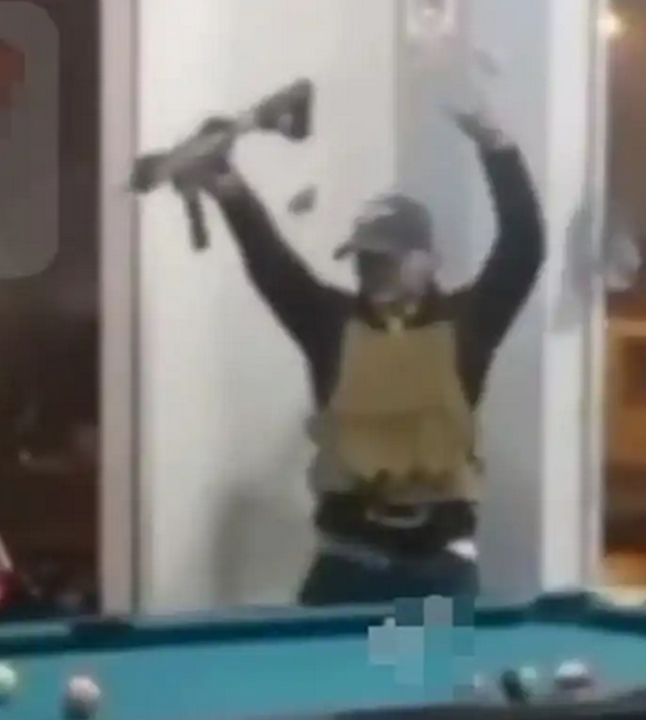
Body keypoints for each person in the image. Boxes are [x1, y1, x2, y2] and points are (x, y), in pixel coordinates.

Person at [183, 106, 544, 606]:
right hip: (346, 566)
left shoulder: (469, 323)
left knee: (419, 661)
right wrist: (228, 186)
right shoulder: (328, 323)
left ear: (429, 260)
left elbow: (523, 248)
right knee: (324, 663)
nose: (373, 270)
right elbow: (271, 263)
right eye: (365, 259)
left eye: (387, 259)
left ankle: (412, 656)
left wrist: (497, 147)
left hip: (438, 574)